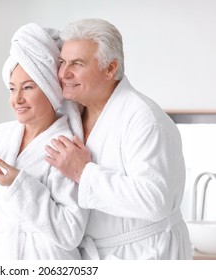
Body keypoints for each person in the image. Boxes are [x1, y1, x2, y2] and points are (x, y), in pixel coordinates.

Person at [44, 18, 192, 259]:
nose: (63, 73)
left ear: (110, 68)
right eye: (62, 62)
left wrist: (83, 172)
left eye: (77, 64)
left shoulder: (144, 119)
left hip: (145, 255)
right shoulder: (68, 114)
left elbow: (154, 200)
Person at [0, 23, 87, 260]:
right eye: (12, 89)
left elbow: (69, 233)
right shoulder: (0, 135)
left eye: (27, 88)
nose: (17, 99)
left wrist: (17, 181)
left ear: (50, 90)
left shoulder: (65, 147)